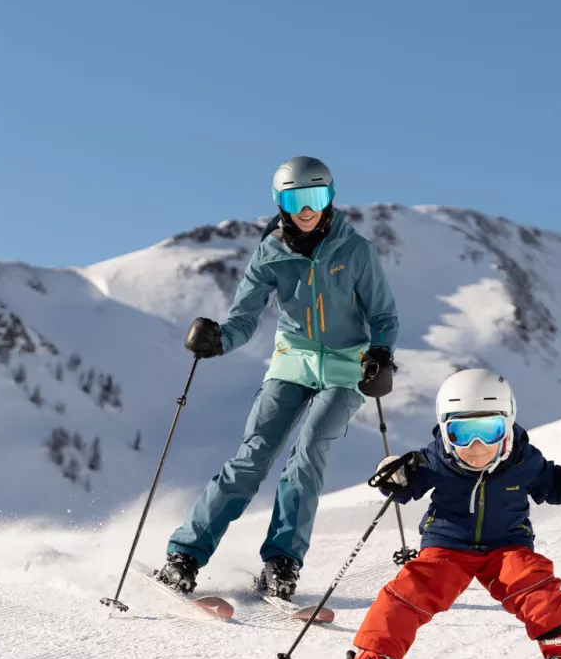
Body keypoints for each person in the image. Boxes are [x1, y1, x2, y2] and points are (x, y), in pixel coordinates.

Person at [158, 156, 400, 597]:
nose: (306, 209)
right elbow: (243, 319)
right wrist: (219, 340)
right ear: (280, 202)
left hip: (347, 365)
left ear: (329, 198)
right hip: (294, 358)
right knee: (252, 458)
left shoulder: (356, 251)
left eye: (316, 197)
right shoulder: (270, 253)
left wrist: (380, 354)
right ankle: (185, 554)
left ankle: (281, 562)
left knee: (307, 454)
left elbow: (383, 314)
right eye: (295, 199)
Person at [339, 369, 561, 659]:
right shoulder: (435, 460)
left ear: (508, 423)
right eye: (462, 432)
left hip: (507, 546)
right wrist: (394, 474)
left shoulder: (524, 460)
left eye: (488, 430)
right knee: (411, 590)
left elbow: (553, 481)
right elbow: (404, 481)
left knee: (535, 586)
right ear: (445, 429)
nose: (476, 446)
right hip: (447, 547)